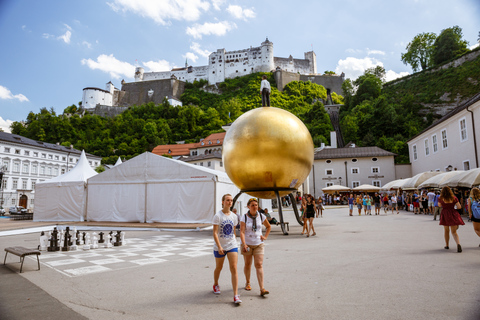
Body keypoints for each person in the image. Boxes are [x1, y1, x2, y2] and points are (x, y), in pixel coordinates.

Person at [212, 194, 241, 304]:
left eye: (231, 200)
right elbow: (215, 233)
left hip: (232, 245)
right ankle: (215, 284)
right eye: (227, 200)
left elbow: (233, 231)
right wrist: (219, 246)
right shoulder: (218, 216)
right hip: (220, 246)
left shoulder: (234, 216)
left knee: (234, 267)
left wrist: (235, 242)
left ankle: (235, 295)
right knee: (219, 267)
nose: (229, 202)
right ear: (223, 202)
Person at [240, 198, 271, 296]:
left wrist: (265, 236)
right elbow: (241, 231)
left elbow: (268, 226)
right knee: (248, 264)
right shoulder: (244, 217)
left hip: (258, 243)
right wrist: (244, 243)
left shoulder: (261, 216)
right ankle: (248, 282)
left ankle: (262, 288)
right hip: (247, 244)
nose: (255, 207)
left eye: (256, 205)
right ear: (248, 207)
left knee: (259, 264)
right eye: (252, 205)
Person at [438, 186, 464, 252]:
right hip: (453, 213)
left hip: (445, 214)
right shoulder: (454, 198)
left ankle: (447, 245)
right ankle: (458, 244)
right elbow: (459, 207)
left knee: (446, 230)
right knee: (454, 232)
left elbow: (439, 205)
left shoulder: (441, 198)